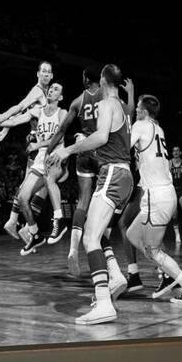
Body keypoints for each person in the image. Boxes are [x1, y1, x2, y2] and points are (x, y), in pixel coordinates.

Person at [48, 64, 134, 324]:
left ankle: (104, 303)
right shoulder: (122, 107)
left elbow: (100, 136)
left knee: (90, 238)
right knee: (96, 232)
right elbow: (116, 144)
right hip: (123, 176)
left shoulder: (108, 104)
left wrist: (67, 150)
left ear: (104, 80)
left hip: (113, 175)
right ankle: (116, 277)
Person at [126, 95, 182, 304]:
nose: (136, 110)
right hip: (165, 193)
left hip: (155, 196)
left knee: (153, 250)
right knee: (132, 234)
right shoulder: (158, 129)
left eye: (137, 107)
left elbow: (122, 147)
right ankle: (166, 274)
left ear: (145, 111)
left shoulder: (140, 125)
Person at [0, 61, 53, 240]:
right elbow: (20, 107)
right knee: (36, 187)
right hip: (38, 144)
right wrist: (0, 119)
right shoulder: (37, 91)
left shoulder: (46, 94)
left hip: (41, 143)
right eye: (43, 71)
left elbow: (22, 114)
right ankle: (20, 224)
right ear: (38, 74)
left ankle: (22, 225)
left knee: (40, 189)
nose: (46, 74)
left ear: (52, 75)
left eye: (49, 72)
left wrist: (4, 130)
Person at [0, 83, 68, 254]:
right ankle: (34, 233)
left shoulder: (63, 113)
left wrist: (37, 144)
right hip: (40, 158)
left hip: (56, 156)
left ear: (60, 97)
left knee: (49, 178)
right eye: (51, 88)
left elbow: (59, 138)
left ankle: (59, 220)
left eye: (56, 89)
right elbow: (15, 120)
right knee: (22, 197)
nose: (51, 90)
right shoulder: (38, 111)